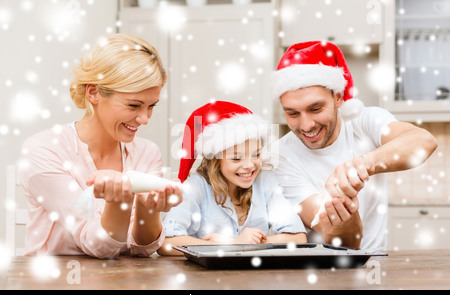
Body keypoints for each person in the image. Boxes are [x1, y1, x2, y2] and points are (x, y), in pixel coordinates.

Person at [18, 33, 182, 259]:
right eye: (134, 105)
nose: (144, 119)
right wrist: (120, 203)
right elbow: (97, 246)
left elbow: (143, 249)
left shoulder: (147, 152)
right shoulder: (43, 150)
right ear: (93, 92)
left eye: (151, 106)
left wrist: (148, 208)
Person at [271, 41, 438, 250]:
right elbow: (339, 239)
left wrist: (362, 165)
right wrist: (344, 213)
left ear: (338, 97)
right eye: (292, 113)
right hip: (318, 272)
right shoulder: (281, 156)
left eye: (315, 108)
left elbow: (424, 141)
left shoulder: (365, 121)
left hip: (375, 267)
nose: (306, 125)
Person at [158, 101, 306, 256]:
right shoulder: (196, 187)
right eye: (236, 158)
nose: (249, 165)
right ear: (216, 160)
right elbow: (167, 243)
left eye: (256, 154)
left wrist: (246, 246)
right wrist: (232, 245)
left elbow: (298, 238)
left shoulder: (266, 182)